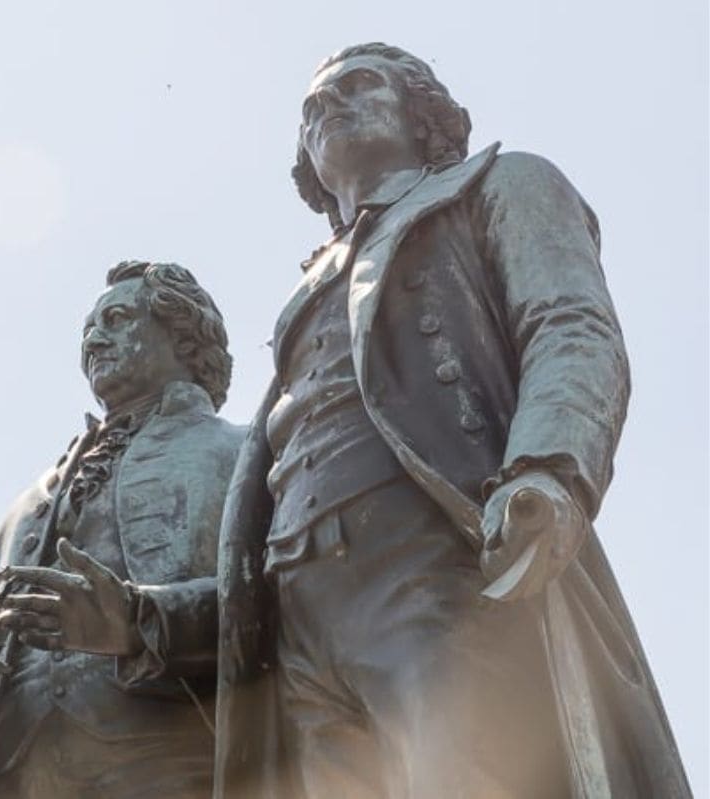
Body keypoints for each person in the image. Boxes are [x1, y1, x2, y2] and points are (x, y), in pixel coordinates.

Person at [214, 42, 690, 798]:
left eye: (357, 86)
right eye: (309, 110)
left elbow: (570, 326)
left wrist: (546, 467)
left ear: (422, 110)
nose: (326, 109)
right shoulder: (304, 291)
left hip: (437, 558)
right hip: (298, 609)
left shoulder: (504, 183)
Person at [0, 261, 243, 798]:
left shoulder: (239, 454)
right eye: (88, 329)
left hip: (169, 758)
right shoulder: (30, 500)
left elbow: (290, 600)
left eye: (116, 318)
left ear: (183, 334)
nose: (94, 338)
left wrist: (140, 624)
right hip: (11, 770)